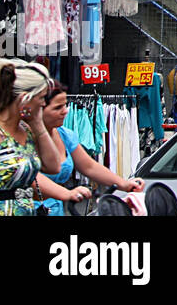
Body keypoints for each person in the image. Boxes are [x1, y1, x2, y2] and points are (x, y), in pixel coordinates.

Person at [35, 81, 143, 215]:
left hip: (55, 209)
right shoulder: (23, 139)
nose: (65, 111)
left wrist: (123, 184)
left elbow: (89, 166)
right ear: (38, 109)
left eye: (64, 106)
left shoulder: (65, 135)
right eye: (57, 108)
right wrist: (66, 193)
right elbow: (31, 177)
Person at [0, 59, 63, 216]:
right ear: (25, 98)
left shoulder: (27, 132)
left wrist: (38, 125)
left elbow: (53, 166)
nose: (43, 104)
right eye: (41, 98)